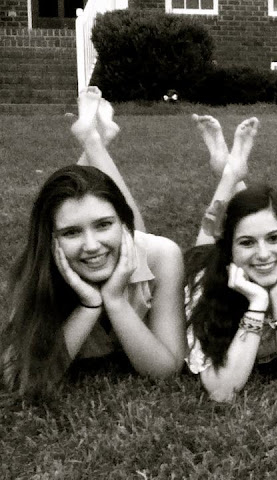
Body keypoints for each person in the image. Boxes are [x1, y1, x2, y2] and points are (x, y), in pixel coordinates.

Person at [1, 87, 186, 397]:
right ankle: (94, 140)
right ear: (51, 238)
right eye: (71, 232)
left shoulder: (162, 256)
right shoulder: (37, 267)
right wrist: (89, 304)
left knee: (129, 240)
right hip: (105, 249)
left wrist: (116, 301)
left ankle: (93, 140)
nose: (90, 244)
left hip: (137, 248)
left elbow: (166, 371)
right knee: (96, 224)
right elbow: (19, 380)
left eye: (104, 225)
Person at [184, 115, 277, 402]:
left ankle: (231, 170)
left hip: (239, 259)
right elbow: (222, 390)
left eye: (275, 238)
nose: (263, 254)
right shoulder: (205, 281)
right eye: (246, 243)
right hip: (209, 264)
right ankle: (229, 175)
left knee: (251, 218)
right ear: (230, 250)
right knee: (206, 243)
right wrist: (258, 304)